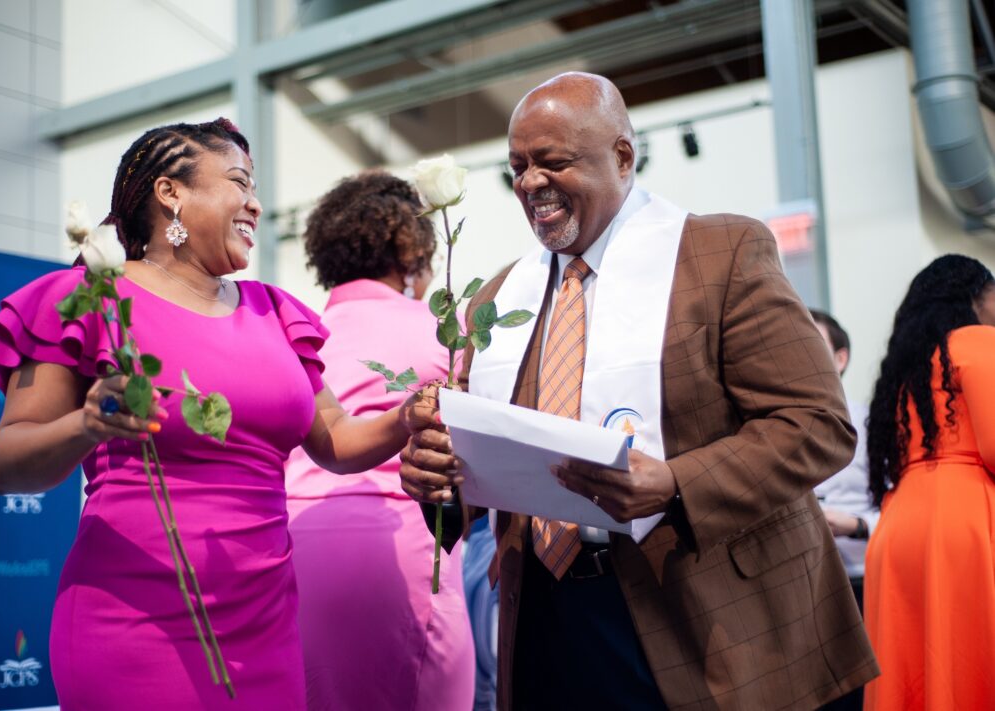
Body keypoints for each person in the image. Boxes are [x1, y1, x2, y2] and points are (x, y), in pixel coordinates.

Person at [398, 72, 878, 710]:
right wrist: (440, 479)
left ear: (622, 156)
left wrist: (676, 482)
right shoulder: (499, 297)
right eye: (517, 167)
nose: (530, 183)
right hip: (550, 620)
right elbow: (492, 465)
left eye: (554, 161)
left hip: (709, 616)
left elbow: (817, 424)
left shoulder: (720, 254)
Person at [0, 119, 435, 710]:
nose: (257, 205)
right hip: (135, 621)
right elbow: (6, 465)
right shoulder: (90, 297)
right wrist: (86, 425)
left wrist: (406, 417)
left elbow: (335, 440)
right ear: (171, 193)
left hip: (266, 627)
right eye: (240, 182)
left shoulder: (276, 313)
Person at [284, 171, 475, 710]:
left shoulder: (302, 330)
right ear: (411, 248)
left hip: (298, 546)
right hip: (400, 545)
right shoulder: (446, 329)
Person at [863, 254, 995, 711]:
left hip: (900, 527)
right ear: (975, 297)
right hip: (963, 522)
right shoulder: (978, 341)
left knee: (917, 669)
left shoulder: (909, 369)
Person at [809, 309, 879, 593]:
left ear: (841, 359)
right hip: (801, 580)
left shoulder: (872, 425)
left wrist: (855, 524)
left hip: (861, 575)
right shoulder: (765, 425)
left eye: (812, 344)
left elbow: (903, 505)